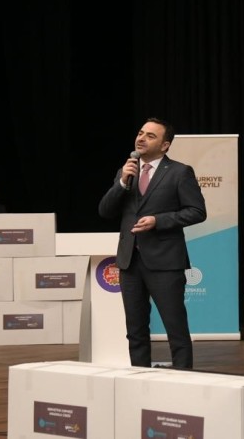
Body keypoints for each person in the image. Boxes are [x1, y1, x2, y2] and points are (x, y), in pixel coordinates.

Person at [98, 117, 207, 369]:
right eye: (140, 133)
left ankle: (183, 378)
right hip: (129, 262)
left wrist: (159, 220)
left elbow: (197, 211)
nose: (141, 138)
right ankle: (140, 378)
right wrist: (122, 183)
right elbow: (105, 211)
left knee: (175, 328)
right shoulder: (126, 171)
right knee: (135, 330)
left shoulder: (180, 172)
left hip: (165, 262)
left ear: (165, 145)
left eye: (150, 136)